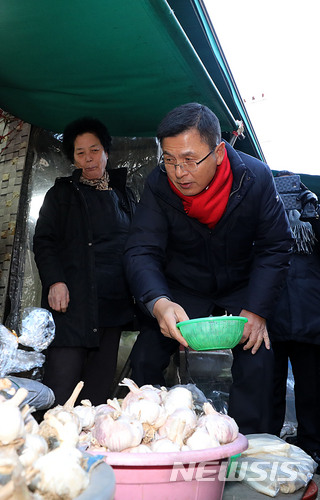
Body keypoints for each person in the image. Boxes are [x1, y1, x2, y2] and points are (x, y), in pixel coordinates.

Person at [123, 103, 292, 434]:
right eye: (169, 160)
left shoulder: (254, 177)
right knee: (145, 356)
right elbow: (141, 249)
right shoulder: (158, 185)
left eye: (189, 160)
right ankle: (150, 437)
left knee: (259, 361)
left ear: (217, 152)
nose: (178, 172)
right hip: (183, 286)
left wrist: (257, 310)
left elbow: (276, 246)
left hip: (242, 285)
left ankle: (247, 447)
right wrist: (159, 301)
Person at [32, 117, 137, 406]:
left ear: (106, 152)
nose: (89, 158)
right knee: (61, 390)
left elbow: (137, 247)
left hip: (112, 306)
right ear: (73, 158)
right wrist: (55, 280)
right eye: (80, 153)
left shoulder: (125, 196)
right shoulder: (61, 195)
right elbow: (44, 241)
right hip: (72, 306)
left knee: (97, 396)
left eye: (94, 150)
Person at [268, 172, 320, 468]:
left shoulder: (311, 216)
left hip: (290, 319)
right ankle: (308, 444)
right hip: (296, 319)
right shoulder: (310, 218)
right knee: (307, 387)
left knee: (280, 386)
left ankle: (279, 443)